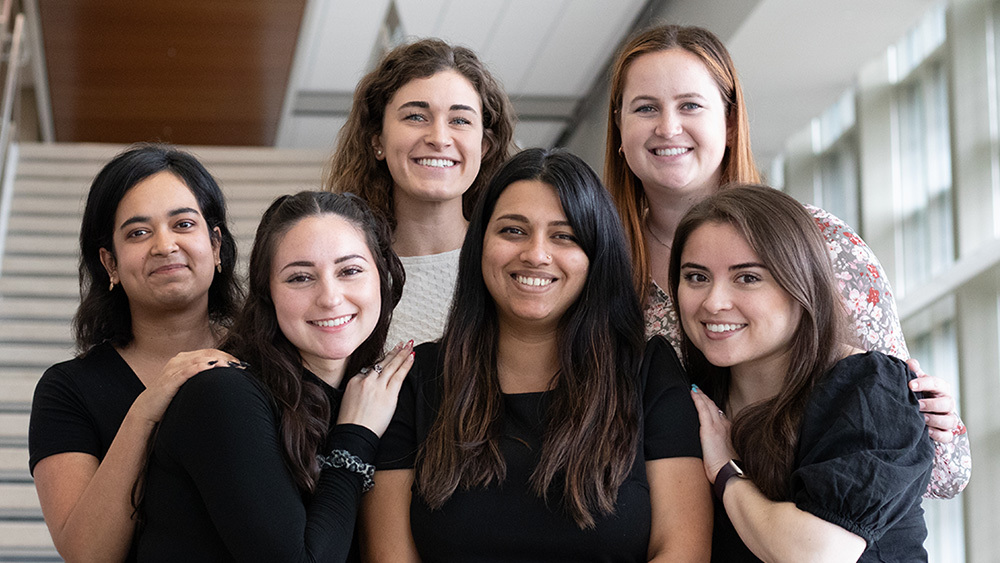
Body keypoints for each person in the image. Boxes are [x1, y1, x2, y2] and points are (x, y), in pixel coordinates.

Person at [604, 23, 969, 498]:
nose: (668, 127)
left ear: (730, 123)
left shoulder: (823, 244)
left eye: (690, 105)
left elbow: (937, 471)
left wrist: (937, 424)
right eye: (646, 108)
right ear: (619, 128)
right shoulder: (598, 269)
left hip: (816, 522)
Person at [364, 148, 711, 562]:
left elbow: (682, 550)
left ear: (596, 254)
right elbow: (390, 556)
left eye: (563, 236)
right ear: (479, 245)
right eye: (513, 231)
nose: (536, 254)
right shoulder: (419, 380)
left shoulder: (648, 371)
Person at [133, 191, 411, 561]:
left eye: (350, 271)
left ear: (381, 277)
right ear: (268, 294)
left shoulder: (366, 393)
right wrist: (355, 436)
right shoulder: (223, 394)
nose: (330, 297)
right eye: (299, 277)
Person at [671, 184, 934, 561]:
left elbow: (815, 555)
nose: (714, 302)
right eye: (697, 277)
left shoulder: (868, 388)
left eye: (747, 277)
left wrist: (726, 473)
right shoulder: (690, 402)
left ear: (802, 284)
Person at [28, 144, 243, 562]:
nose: (164, 246)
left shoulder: (267, 359)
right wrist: (147, 408)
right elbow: (87, 554)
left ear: (215, 245)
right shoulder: (67, 390)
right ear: (109, 262)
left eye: (183, 224)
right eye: (138, 232)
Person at [325, 38, 516, 346]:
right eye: (416, 116)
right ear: (377, 140)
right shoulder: (339, 273)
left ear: (484, 146)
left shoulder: (516, 262)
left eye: (460, 120)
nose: (439, 138)